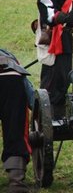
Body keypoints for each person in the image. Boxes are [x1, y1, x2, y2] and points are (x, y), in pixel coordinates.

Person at [0, 48, 33, 193]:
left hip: (10, 76)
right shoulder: (8, 55)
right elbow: (28, 87)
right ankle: (16, 181)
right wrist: (34, 105)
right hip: (12, 78)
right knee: (16, 128)